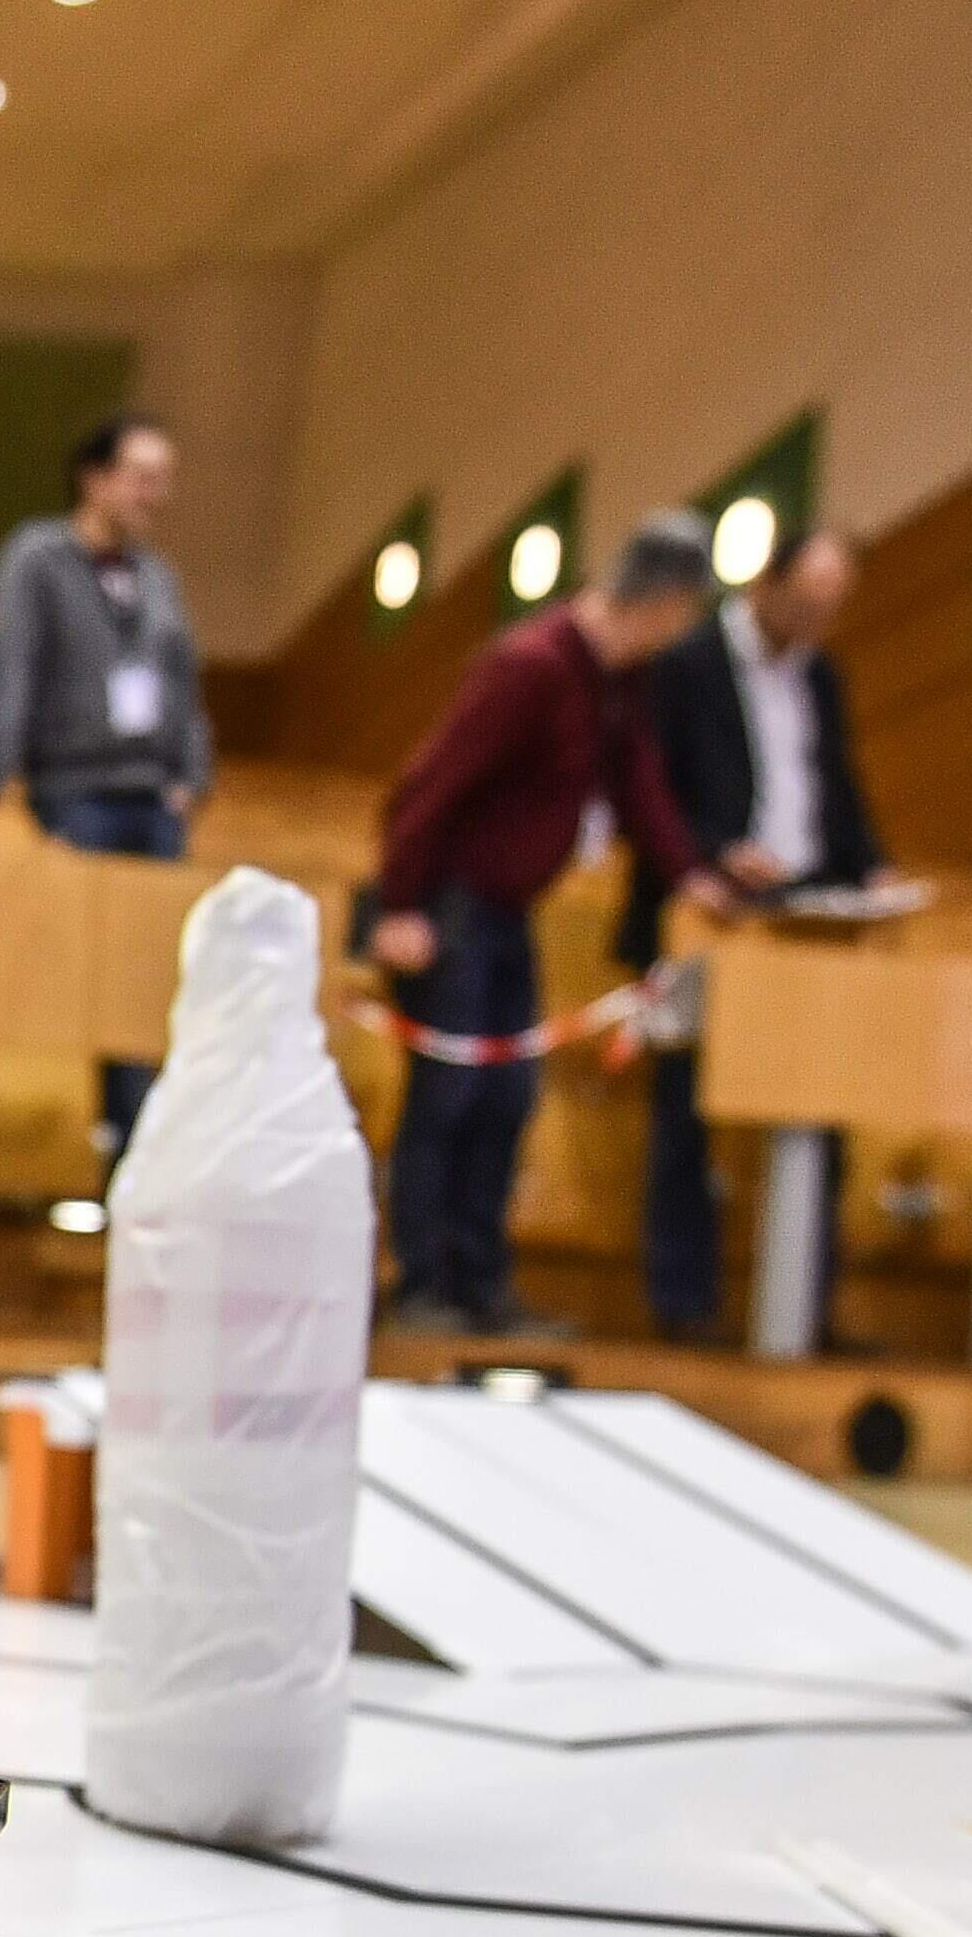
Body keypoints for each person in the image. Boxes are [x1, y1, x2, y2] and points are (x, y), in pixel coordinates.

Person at [366, 511, 728, 1340]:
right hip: (453, 907)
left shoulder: (616, 685)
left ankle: (482, 1285)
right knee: (448, 1095)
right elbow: (430, 786)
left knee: (508, 1099)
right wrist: (399, 906)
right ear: (663, 601)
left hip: (507, 915)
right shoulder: (529, 666)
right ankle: (423, 1287)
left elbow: (639, 788)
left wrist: (692, 876)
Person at [638, 526, 888, 1346]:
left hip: (808, 917)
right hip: (712, 911)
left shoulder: (825, 678)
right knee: (686, 1114)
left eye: (836, 608)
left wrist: (875, 873)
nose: (819, 620)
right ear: (767, 584)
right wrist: (712, 856)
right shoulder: (689, 664)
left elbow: (836, 788)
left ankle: (806, 1309)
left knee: (824, 1112)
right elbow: (651, 791)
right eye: (809, 601)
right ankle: (683, 1306)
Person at [0, 413, 211, 1145]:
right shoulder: (39, 558)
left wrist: (192, 778)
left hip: (154, 802)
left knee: (146, 995)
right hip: (73, 795)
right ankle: (77, 1141)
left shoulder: (157, 578)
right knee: (75, 980)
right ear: (96, 478)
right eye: (142, 478)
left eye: (163, 482)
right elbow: (12, 671)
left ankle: (136, 1154)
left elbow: (184, 686)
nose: (155, 496)